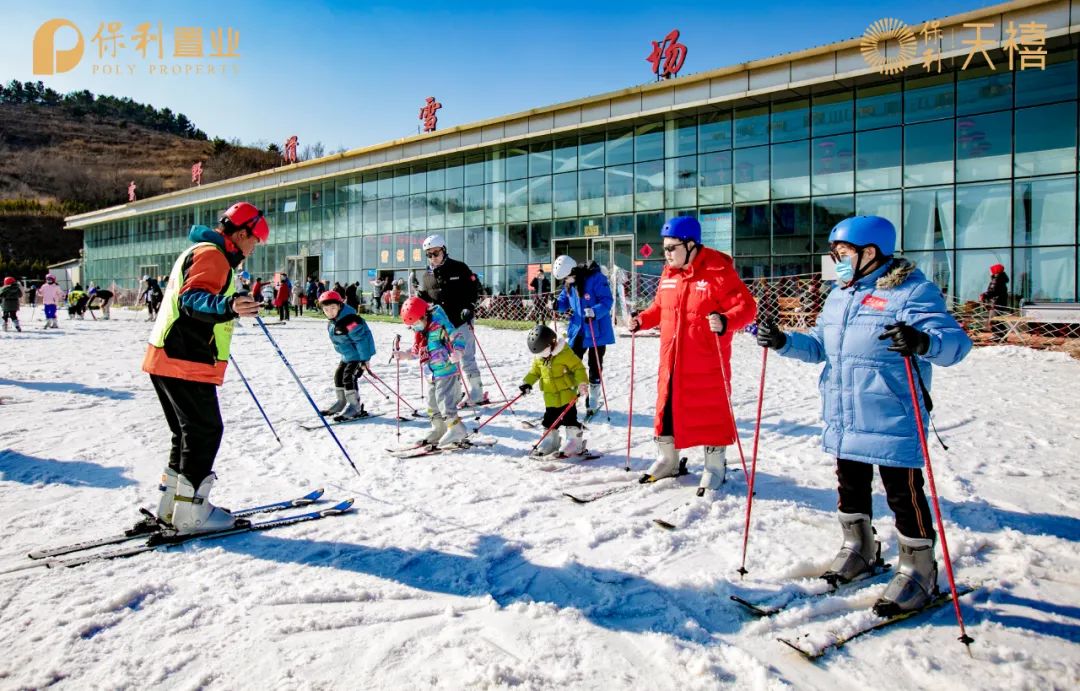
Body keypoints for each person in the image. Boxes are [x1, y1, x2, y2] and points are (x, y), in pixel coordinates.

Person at [755, 215, 972, 616]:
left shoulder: (912, 291)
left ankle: (918, 569)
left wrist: (922, 340)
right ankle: (859, 547)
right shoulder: (841, 293)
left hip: (893, 413)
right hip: (844, 410)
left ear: (870, 253)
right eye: (834, 254)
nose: (836, 261)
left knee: (902, 494)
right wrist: (784, 341)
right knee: (849, 486)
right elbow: (820, 345)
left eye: (843, 254)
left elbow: (957, 345)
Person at [141, 201, 267, 535]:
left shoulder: (200, 250)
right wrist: (229, 305)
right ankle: (192, 514)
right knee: (204, 432)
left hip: (168, 354)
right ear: (241, 233)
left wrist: (226, 310)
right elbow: (192, 299)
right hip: (185, 358)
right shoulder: (213, 255)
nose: (254, 248)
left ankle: (172, 506)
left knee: (186, 433)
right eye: (255, 240)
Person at [628, 216, 757, 496]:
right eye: (664, 248)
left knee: (710, 412)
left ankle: (714, 465)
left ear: (690, 245)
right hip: (672, 360)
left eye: (671, 248)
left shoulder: (719, 271)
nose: (667, 254)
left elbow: (747, 309)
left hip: (707, 363)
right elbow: (659, 308)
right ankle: (668, 459)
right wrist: (641, 320)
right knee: (668, 410)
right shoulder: (669, 274)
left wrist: (724, 321)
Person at [417, 233, 488, 407]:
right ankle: (454, 393)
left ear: (444, 250)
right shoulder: (426, 276)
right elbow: (426, 298)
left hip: (461, 320)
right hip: (441, 325)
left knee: (465, 356)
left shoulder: (459, 268)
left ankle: (476, 392)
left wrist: (469, 307)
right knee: (447, 359)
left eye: (436, 253)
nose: (433, 257)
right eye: (429, 254)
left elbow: (474, 289)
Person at [393, 296, 468, 447]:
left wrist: (458, 352)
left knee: (444, 402)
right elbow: (416, 351)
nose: (415, 328)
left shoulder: (441, 326)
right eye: (412, 326)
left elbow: (458, 337)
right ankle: (438, 429)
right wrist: (404, 355)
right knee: (432, 403)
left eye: (416, 324)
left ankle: (456, 429)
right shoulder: (421, 334)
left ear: (424, 315)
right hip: (432, 375)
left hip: (447, 371)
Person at [552, 255, 614, 419]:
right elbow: (564, 301)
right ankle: (572, 392)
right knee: (572, 362)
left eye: (567, 277)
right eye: (564, 279)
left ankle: (593, 396)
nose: (567, 280)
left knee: (595, 364)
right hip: (578, 329)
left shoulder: (596, 278)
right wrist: (557, 305)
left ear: (573, 270)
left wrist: (594, 311)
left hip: (596, 330)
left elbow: (607, 301)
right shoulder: (569, 283)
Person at [519, 324, 590, 457]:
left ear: (552, 344)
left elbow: (578, 368)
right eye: (539, 354)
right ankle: (550, 442)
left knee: (570, 419)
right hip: (550, 395)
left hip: (567, 394)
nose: (542, 357)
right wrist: (527, 382)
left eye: (544, 353)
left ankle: (574, 442)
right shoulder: (540, 357)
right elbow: (535, 372)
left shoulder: (565, 353)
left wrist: (582, 383)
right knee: (549, 420)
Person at [317, 290, 376, 421]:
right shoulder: (333, 321)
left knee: (348, 377)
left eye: (333, 308)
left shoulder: (350, 321)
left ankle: (355, 407)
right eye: (326, 309)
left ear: (340, 305)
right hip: (347, 355)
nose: (330, 312)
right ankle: (341, 402)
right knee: (338, 376)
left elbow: (361, 340)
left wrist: (365, 360)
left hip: (358, 356)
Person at [980, 263, 1010, 343]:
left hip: (996, 304)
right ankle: (1001, 335)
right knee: (999, 320)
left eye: (991, 271)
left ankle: (998, 336)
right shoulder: (1002, 280)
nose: (990, 272)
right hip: (1001, 303)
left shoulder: (996, 279)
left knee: (994, 320)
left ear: (995, 271)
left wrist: (984, 295)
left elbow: (992, 291)